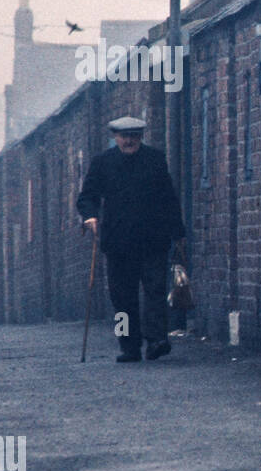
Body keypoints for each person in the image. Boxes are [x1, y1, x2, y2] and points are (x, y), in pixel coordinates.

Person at [76, 116, 187, 362]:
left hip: (153, 239)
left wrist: (178, 232)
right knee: (121, 298)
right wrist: (90, 216)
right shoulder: (102, 163)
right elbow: (87, 197)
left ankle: (157, 340)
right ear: (115, 137)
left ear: (141, 137)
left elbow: (168, 197)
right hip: (118, 243)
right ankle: (128, 346)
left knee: (155, 292)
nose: (129, 141)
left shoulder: (155, 160)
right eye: (124, 136)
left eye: (134, 136)